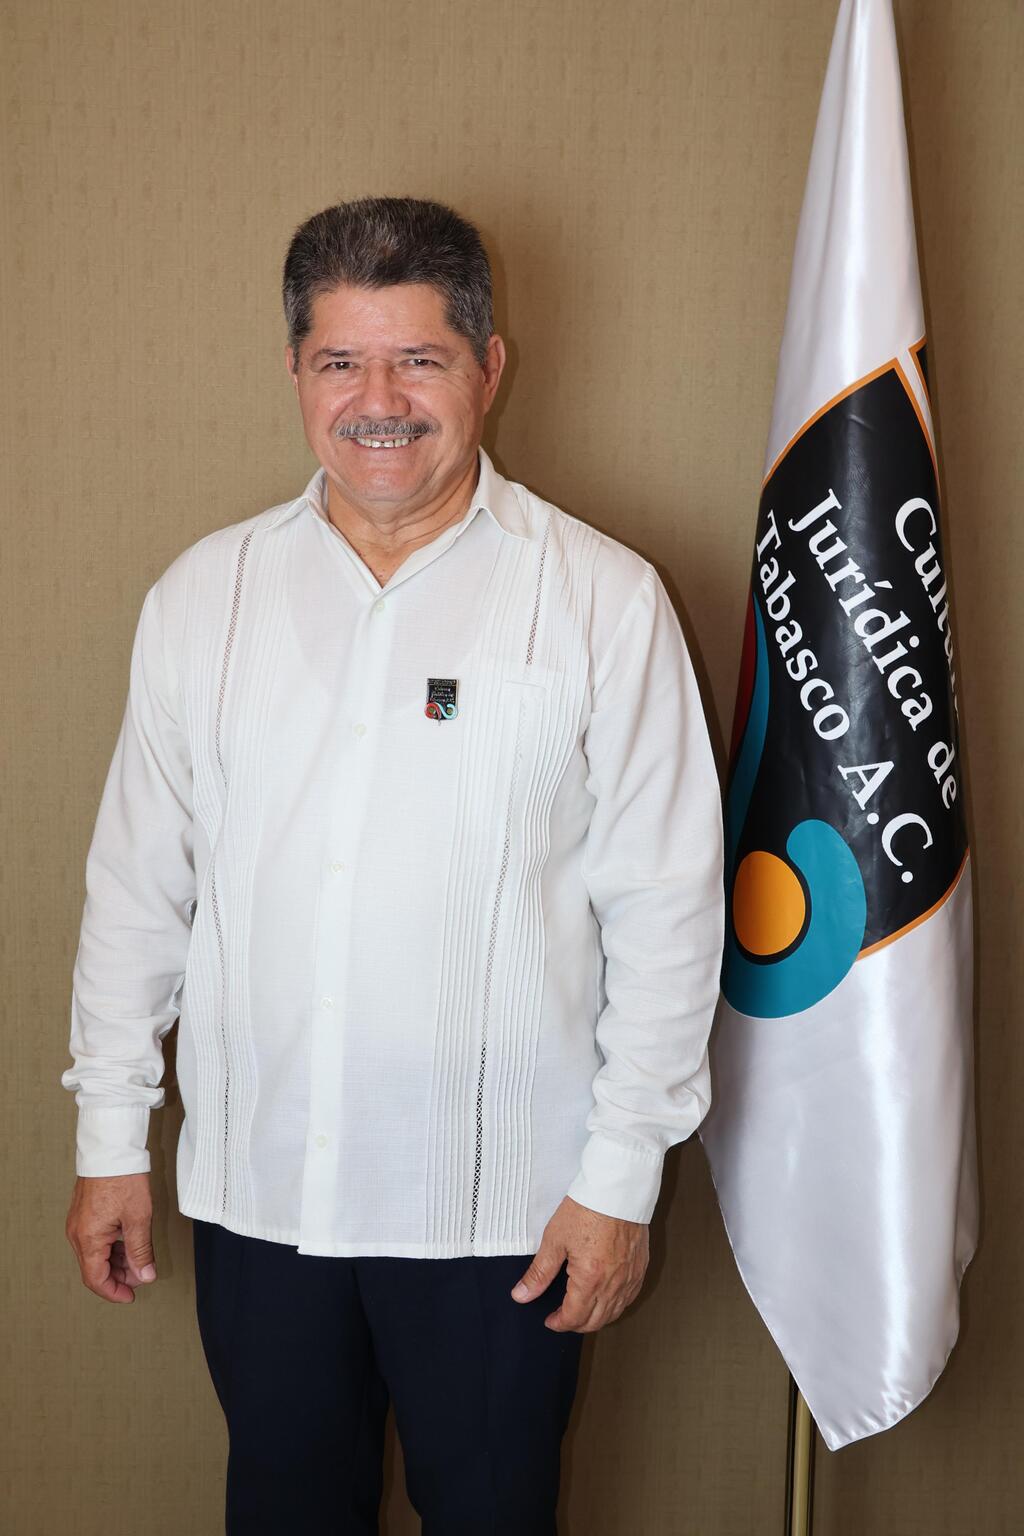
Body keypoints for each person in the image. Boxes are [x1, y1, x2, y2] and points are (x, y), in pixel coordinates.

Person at [62, 196, 724, 1534]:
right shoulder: (203, 598)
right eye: (341, 362)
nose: (378, 402)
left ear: (489, 367)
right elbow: (138, 891)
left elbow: (669, 914)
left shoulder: (603, 600)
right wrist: (110, 1138)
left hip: (505, 1218)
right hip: (261, 1200)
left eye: (419, 359)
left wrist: (620, 1181)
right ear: (295, 372)